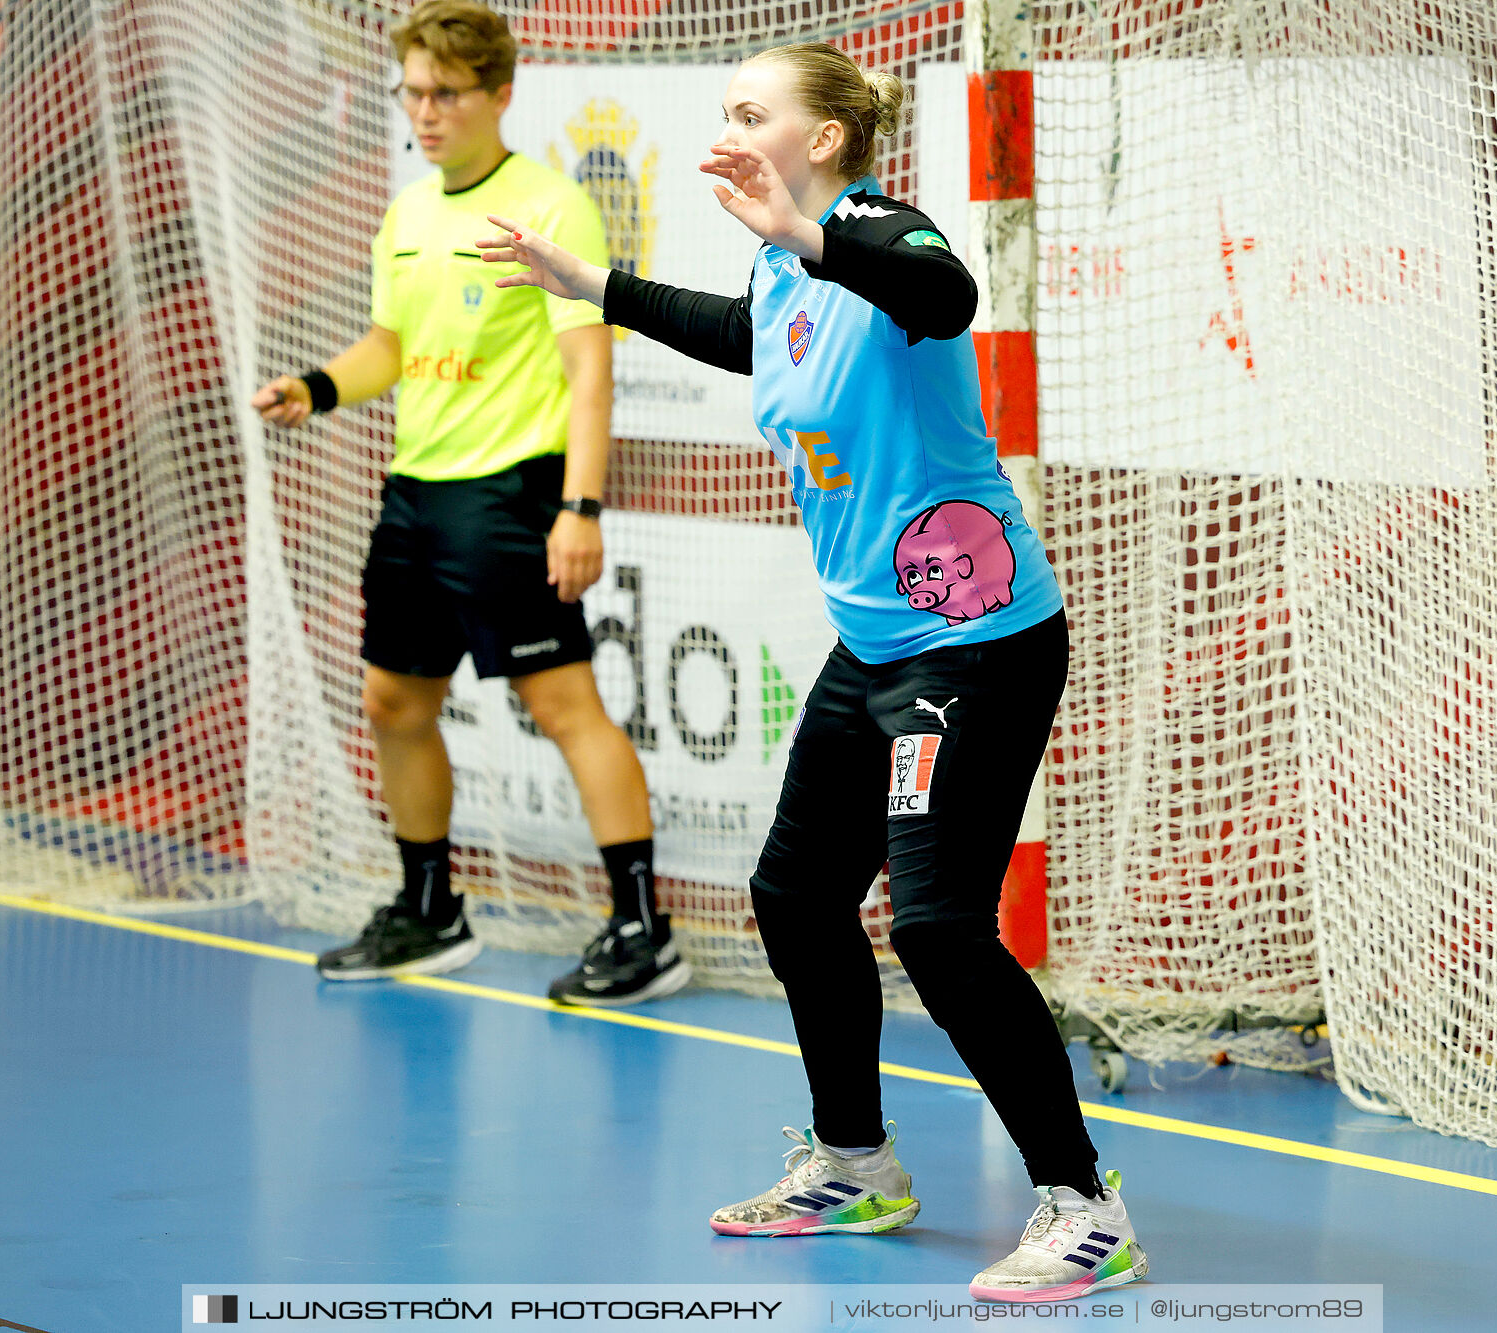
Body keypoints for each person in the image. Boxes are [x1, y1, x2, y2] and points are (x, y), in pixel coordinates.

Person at [478, 40, 1148, 1302]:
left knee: (943, 926)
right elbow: (749, 335)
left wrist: (807, 231)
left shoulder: (878, 229)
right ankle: (854, 1164)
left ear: (823, 140)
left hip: (979, 643)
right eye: (723, 111)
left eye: (751, 111)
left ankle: (1080, 1205)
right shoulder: (781, 259)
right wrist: (592, 281)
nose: (728, 128)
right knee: (793, 896)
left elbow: (942, 297)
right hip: (878, 644)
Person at [250, 0, 688, 1006]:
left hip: (510, 494)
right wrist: (315, 388)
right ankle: (429, 908)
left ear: (499, 92)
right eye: (411, 93)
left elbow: (588, 375)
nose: (425, 112)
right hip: (414, 495)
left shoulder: (550, 211)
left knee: (561, 700)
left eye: (444, 93)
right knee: (392, 700)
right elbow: (388, 349)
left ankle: (640, 927)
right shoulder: (407, 213)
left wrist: (579, 507)